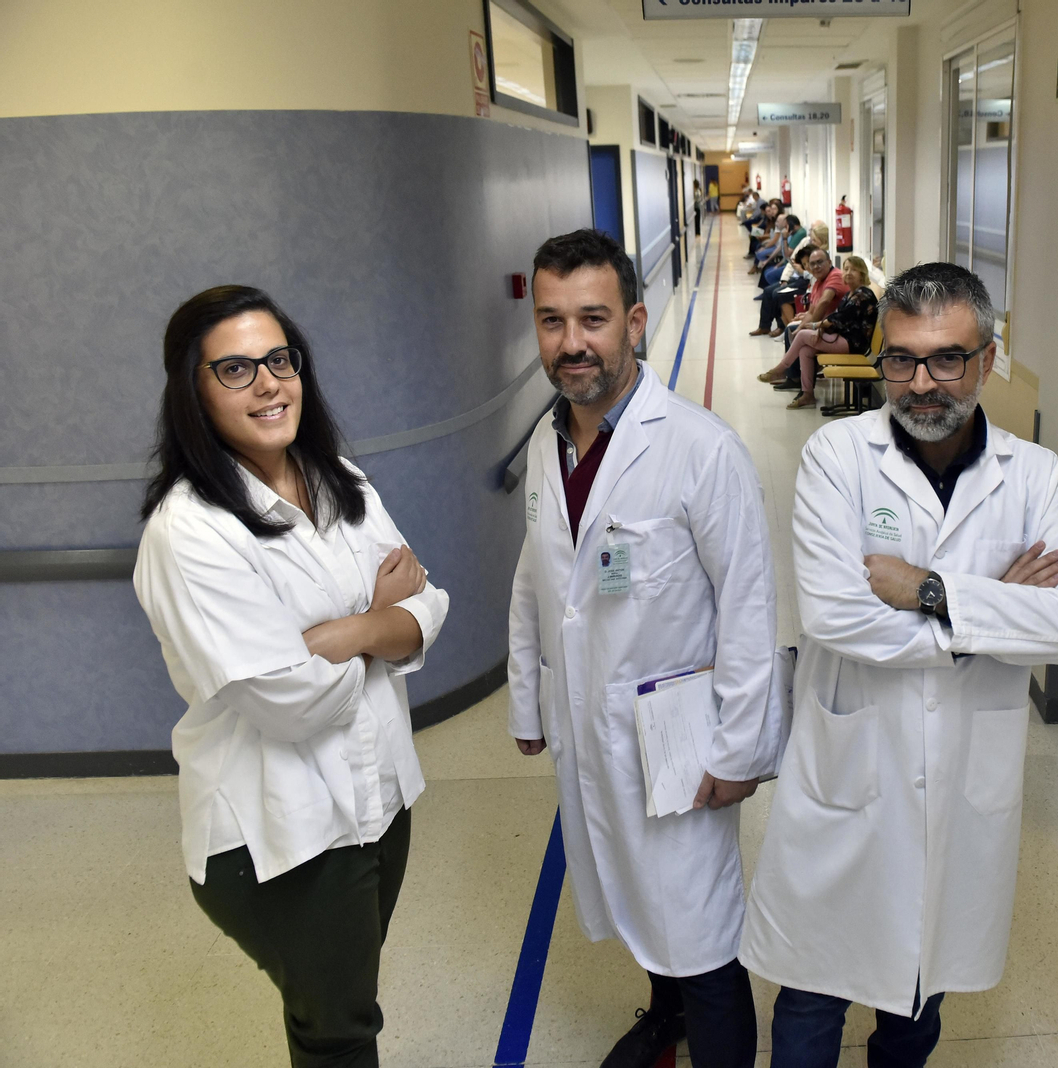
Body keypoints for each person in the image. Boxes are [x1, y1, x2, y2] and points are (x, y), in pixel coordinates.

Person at [740, 262, 1058, 1067]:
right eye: (900, 359)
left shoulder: (1034, 475)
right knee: (811, 988)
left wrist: (928, 589)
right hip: (850, 770)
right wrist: (990, 615)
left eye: (947, 358)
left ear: (988, 358)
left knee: (919, 989)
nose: (921, 383)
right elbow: (837, 617)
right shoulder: (838, 457)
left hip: (964, 773)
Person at [133, 285, 449, 1068]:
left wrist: (341, 633)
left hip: (378, 800)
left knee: (334, 1008)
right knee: (338, 1031)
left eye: (279, 360)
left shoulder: (335, 476)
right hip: (284, 833)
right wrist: (380, 622)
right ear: (192, 391)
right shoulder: (190, 532)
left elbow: (430, 601)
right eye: (235, 369)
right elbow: (293, 702)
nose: (270, 383)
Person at [507, 229, 781, 1068]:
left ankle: (710, 1037)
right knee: (632, 886)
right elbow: (534, 583)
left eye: (592, 318)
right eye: (552, 322)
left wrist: (741, 748)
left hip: (680, 739)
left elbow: (750, 608)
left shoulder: (700, 450)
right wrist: (528, 700)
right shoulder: (545, 448)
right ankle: (665, 1020)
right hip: (591, 721)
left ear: (635, 321)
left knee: (698, 927)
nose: (571, 342)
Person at [757, 256, 877, 410]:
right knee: (806, 350)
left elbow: (838, 319)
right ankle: (807, 395)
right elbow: (836, 317)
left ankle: (782, 369)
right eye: (846, 269)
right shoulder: (851, 294)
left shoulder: (863, 295)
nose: (848, 273)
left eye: (854, 269)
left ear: (862, 273)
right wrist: (817, 327)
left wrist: (814, 325)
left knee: (802, 334)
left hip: (854, 344)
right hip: (843, 339)